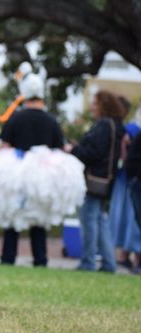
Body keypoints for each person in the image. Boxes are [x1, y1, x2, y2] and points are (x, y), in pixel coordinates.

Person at [0, 73, 64, 266]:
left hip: (17, 171)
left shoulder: (16, 118)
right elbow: (58, 149)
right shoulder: (51, 121)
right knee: (39, 216)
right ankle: (40, 258)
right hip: (42, 174)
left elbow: (4, 146)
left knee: (13, 213)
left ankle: (8, 257)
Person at [67, 90, 125, 273]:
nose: (92, 107)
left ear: (103, 105)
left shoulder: (103, 126)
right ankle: (108, 262)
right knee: (100, 221)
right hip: (105, 181)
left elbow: (93, 154)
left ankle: (88, 262)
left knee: (89, 221)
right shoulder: (116, 125)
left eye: (95, 103)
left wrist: (73, 149)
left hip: (92, 180)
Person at [109, 103, 141, 272]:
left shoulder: (132, 129)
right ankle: (129, 256)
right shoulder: (133, 129)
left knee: (132, 219)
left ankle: (128, 256)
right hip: (131, 178)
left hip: (130, 177)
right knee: (132, 219)